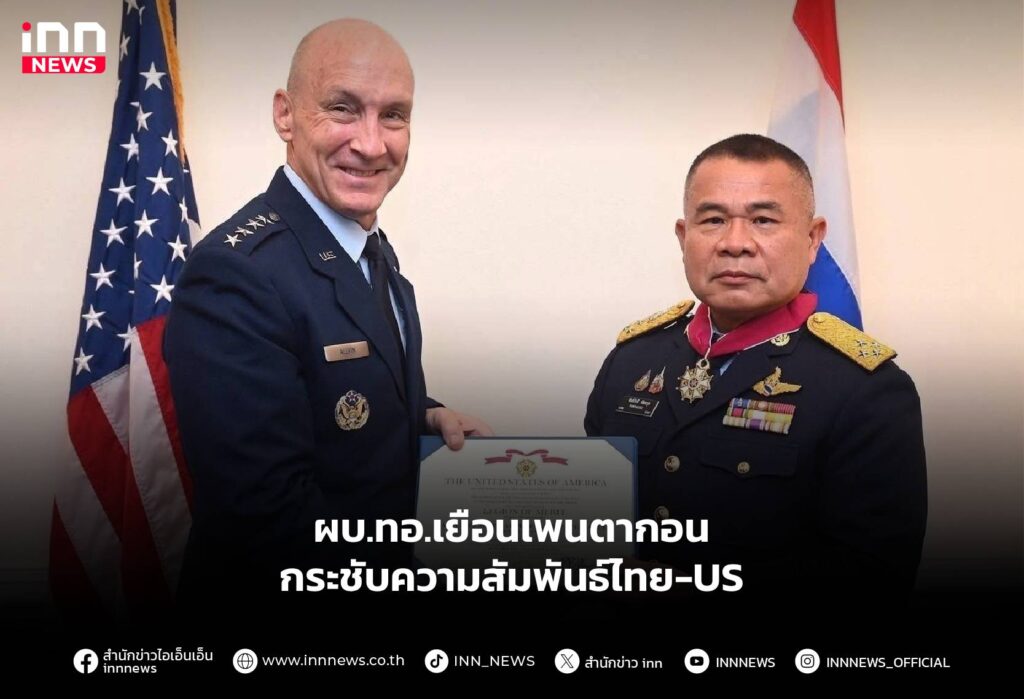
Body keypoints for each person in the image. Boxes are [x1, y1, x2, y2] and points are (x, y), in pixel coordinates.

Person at [163, 19, 491, 611]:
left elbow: (336, 404)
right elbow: (266, 520)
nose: (371, 144)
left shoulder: (368, 251)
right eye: (343, 108)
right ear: (285, 115)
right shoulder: (236, 274)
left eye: (394, 115)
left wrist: (424, 417)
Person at [585, 134, 926, 606]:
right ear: (684, 237)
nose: (735, 244)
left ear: (812, 239)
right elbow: (592, 522)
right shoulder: (632, 360)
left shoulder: (866, 389)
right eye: (713, 220)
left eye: (763, 220)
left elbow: (871, 579)